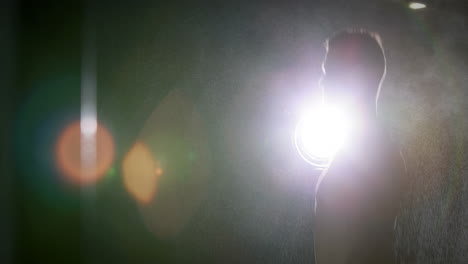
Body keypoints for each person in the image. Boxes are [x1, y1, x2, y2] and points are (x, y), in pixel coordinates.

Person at [313, 29, 407, 264]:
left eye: (329, 70)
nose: (322, 81)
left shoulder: (370, 155)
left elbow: (354, 248)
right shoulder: (364, 149)